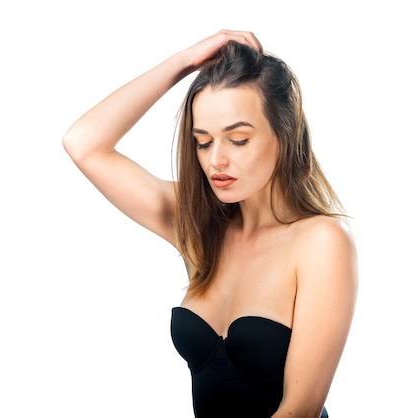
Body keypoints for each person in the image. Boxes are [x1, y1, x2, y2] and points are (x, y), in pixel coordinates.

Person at [63, 29, 358, 418]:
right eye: (203, 142)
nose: (216, 160)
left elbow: (299, 410)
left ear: (283, 136)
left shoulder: (321, 241)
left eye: (237, 140)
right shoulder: (198, 227)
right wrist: (183, 61)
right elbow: (83, 143)